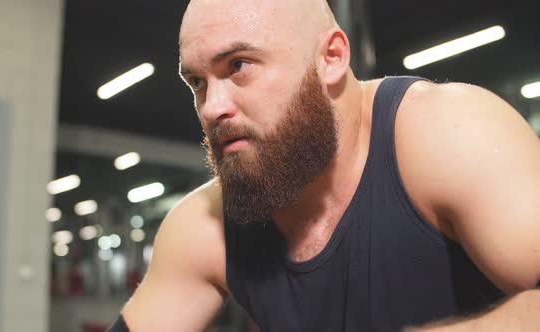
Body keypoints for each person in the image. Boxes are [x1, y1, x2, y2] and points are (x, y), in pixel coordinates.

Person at [109, 0, 540, 331]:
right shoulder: (204, 228)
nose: (211, 108)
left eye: (238, 66)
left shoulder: (447, 132)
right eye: (198, 83)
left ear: (331, 58)